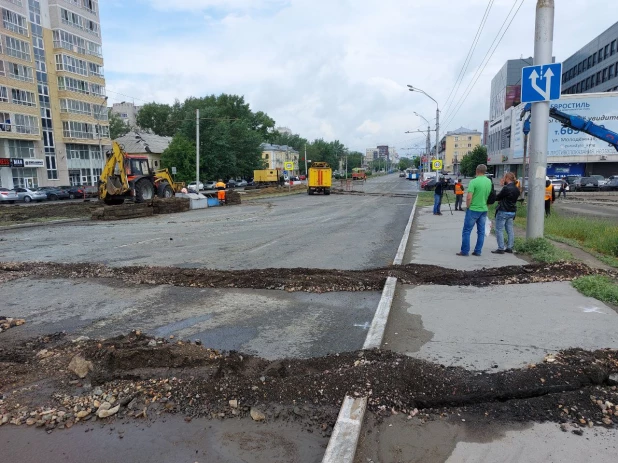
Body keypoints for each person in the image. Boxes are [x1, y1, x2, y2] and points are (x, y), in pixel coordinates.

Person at [457, 164, 493, 257]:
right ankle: (478, 251)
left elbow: (469, 197)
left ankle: (465, 251)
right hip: (484, 209)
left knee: (466, 231)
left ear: (477, 171)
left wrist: (468, 206)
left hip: (473, 209)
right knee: (481, 231)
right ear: (484, 171)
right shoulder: (489, 181)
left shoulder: (473, 182)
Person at [491, 172, 519, 254]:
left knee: (499, 229)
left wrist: (502, 186)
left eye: (504, 177)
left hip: (503, 211)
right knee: (510, 230)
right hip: (512, 211)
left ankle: (500, 248)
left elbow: (498, 197)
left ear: (507, 178)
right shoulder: (516, 189)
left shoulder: (506, 188)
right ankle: (509, 247)